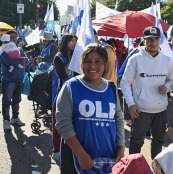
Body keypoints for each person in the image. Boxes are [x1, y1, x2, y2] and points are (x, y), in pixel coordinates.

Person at [56, 43, 125, 174]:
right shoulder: (70, 87)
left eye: (98, 61)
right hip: (77, 160)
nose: (92, 66)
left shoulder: (111, 88)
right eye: (87, 61)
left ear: (105, 64)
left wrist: (121, 147)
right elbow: (63, 124)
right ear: (81, 63)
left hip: (107, 160)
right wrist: (81, 154)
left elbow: (119, 120)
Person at [120, 26, 173, 159]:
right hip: (141, 110)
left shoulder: (168, 60)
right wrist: (131, 104)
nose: (153, 42)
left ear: (160, 40)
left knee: (158, 141)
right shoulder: (135, 59)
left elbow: (172, 80)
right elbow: (125, 82)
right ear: (144, 41)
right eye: (149, 39)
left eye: (156, 39)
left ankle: (156, 168)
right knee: (136, 142)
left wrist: (167, 87)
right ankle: (134, 169)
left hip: (161, 110)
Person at [51, 33, 77, 161]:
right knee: (58, 123)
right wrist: (72, 59)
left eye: (75, 41)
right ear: (65, 42)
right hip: (60, 94)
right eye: (71, 40)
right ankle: (56, 150)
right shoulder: (59, 57)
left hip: (74, 95)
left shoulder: (77, 57)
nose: (74, 43)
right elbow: (63, 74)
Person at [1, 30, 28, 130]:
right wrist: (21, 60)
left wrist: (25, 60)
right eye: (10, 37)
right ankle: (6, 120)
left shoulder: (20, 49)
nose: (13, 39)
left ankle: (15, 118)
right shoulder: (3, 49)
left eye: (14, 37)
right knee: (7, 101)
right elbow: (8, 61)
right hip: (8, 80)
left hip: (19, 80)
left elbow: (27, 60)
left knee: (17, 100)